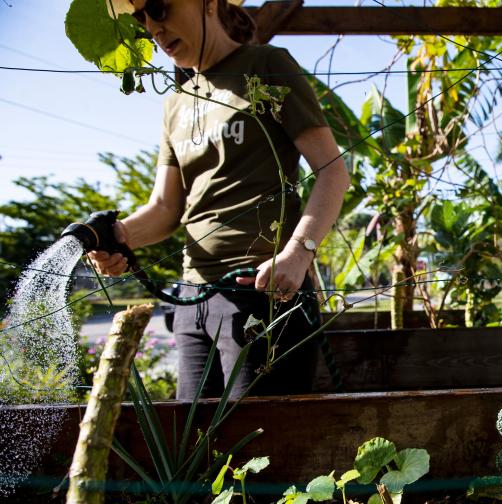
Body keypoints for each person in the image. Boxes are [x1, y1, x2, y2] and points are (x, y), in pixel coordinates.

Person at [89, 0, 350, 399]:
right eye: (141, 18)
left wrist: (299, 253)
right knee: (194, 449)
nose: (154, 28)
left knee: (259, 450)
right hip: (193, 298)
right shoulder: (176, 101)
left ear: (209, 3)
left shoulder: (266, 66)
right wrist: (116, 236)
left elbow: (333, 171)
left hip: (262, 294)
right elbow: (165, 208)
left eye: (160, 8)